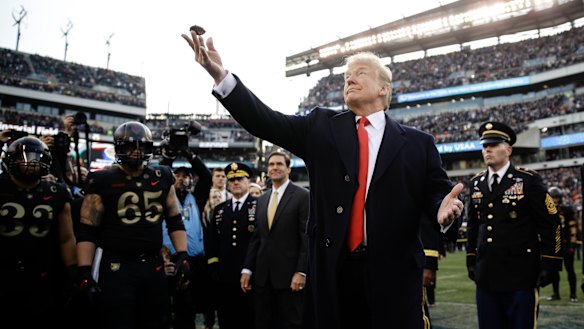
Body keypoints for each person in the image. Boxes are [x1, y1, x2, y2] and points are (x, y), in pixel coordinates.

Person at [182, 31, 463, 329]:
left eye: (360, 73)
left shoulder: (418, 144)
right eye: (346, 76)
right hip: (334, 273)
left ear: (384, 88)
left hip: (392, 275)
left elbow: (439, 197)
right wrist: (222, 77)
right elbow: (265, 120)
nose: (349, 79)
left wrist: (443, 213)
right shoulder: (321, 126)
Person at [76, 121, 190, 329]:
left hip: (152, 264)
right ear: (119, 148)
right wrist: (84, 271)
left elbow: (174, 219)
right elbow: (87, 230)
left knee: (156, 321)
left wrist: (182, 255)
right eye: (130, 146)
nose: (136, 152)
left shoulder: (162, 176)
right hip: (116, 265)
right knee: (118, 321)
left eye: (141, 146)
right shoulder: (103, 179)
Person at [466, 121, 562, 329]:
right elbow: (474, 226)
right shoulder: (476, 183)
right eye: (484, 146)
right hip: (486, 277)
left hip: (520, 274)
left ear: (508, 150)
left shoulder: (528, 181)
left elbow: (550, 223)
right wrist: (471, 259)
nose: (488, 149)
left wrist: (551, 262)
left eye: (494, 144)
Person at [0, 136, 77, 328]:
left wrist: (73, 271)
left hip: (40, 274)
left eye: (35, 158)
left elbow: (66, 239)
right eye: (23, 158)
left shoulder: (56, 192)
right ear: (11, 160)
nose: (30, 163)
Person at [241, 151, 309, 329]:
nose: (274, 168)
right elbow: (257, 237)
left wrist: (301, 272)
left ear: (288, 168)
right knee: (263, 322)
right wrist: (247, 269)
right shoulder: (262, 200)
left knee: (290, 323)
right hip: (262, 277)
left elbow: (306, 237)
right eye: (271, 165)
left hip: (290, 278)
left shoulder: (303, 196)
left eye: (279, 164)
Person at [160, 146, 214, 329]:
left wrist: (189, 155)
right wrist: (169, 157)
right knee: (164, 308)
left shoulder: (196, 197)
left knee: (188, 307)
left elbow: (206, 176)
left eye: (185, 176)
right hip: (169, 258)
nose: (181, 179)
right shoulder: (162, 196)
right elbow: (158, 175)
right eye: (178, 175)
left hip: (192, 261)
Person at [206, 162, 258, 329]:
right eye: (232, 179)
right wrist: (214, 265)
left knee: (248, 317)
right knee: (227, 317)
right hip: (225, 275)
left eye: (240, 179)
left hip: (251, 273)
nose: (235, 182)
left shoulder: (258, 205)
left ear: (248, 181)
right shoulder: (220, 209)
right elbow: (212, 240)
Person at [546, 186, 578, 303]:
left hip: (565, 243)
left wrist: (573, 244)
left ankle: (573, 294)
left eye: (556, 198)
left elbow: (572, 226)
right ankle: (556, 293)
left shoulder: (566, 209)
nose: (555, 200)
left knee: (570, 269)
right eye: (553, 198)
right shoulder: (545, 210)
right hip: (553, 244)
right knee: (554, 271)